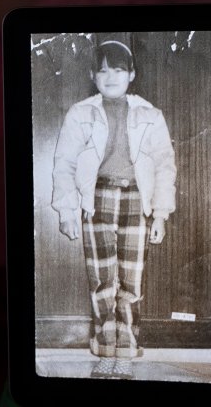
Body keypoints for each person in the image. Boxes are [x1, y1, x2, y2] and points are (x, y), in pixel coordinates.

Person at [50, 38, 176, 380]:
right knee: (103, 280)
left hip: (138, 200)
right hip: (97, 200)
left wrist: (161, 214)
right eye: (103, 70)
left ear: (131, 74)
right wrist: (67, 210)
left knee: (130, 281)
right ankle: (106, 350)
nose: (110, 77)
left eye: (118, 70)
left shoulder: (150, 114)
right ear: (93, 75)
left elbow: (165, 165)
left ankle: (126, 350)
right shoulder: (81, 113)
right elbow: (64, 163)